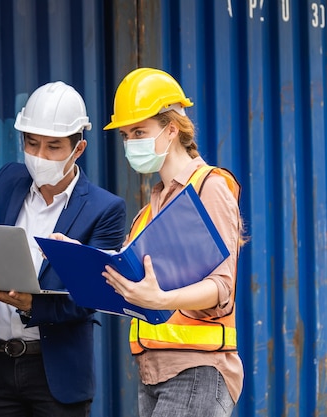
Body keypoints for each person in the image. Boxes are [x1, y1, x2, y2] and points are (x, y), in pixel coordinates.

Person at [0, 81, 127, 416]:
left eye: (53, 147)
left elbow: (93, 297)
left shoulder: (105, 209)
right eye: (32, 143)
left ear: (79, 148)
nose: (39, 156)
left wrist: (31, 305)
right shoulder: (9, 180)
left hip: (56, 372)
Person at [102, 67, 244, 416]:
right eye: (125, 135)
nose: (130, 143)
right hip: (154, 373)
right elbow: (130, 273)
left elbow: (221, 287)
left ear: (171, 128)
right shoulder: (149, 210)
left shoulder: (208, 187)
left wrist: (162, 299)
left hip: (197, 370)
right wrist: (75, 253)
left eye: (139, 131)